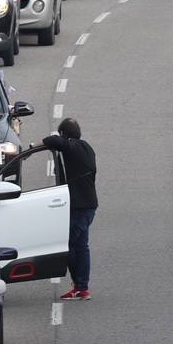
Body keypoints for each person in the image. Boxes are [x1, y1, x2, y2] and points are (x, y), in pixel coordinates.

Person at [42, 117, 97, 301]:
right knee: (81, 246)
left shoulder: (70, 146)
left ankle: (79, 285)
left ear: (64, 134)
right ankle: (82, 288)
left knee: (68, 245)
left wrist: (47, 142)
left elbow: (52, 141)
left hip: (79, 207)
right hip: (88, 204)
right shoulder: (86, 147)